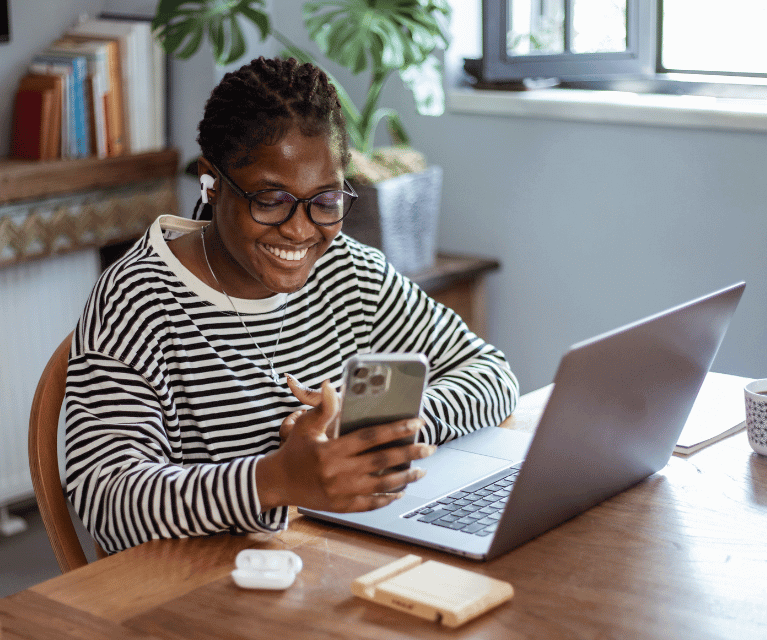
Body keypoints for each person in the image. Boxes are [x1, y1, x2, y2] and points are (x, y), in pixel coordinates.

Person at [65, 57, 519, 555]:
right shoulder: (138, 300)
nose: (301, 230)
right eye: (271, 200)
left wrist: (374, 429)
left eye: (324, 201)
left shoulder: (347, 272)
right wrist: (275, 480)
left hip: (319, 563)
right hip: (198, 588)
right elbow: (106, 500)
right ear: (211, 183)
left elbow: (490, 372)